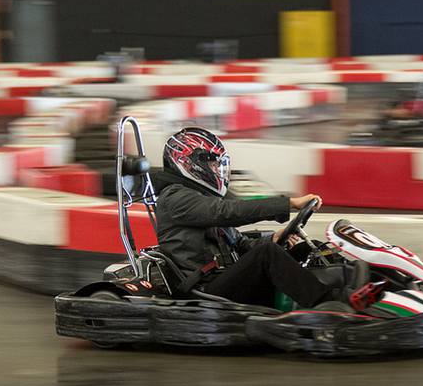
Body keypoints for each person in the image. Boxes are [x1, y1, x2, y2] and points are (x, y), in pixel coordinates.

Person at [153, 127, 363, 309]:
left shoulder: (201, 197)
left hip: (226, 277)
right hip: (205, 289)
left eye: (219, 164)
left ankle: (356, 279)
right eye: (212, 163)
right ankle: (331, 303)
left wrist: (272, 238)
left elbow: (238, 244)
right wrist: (288, 203)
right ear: (187, 163)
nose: (217, 169)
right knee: (266, 254)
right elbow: (227, 212)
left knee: (306, 248)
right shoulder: (175, 198)